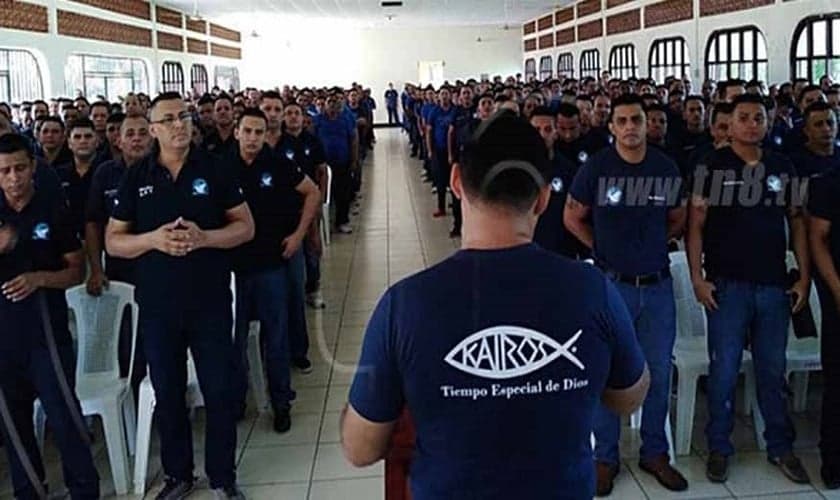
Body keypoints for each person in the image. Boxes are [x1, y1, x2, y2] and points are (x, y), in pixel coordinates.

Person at [341, 112, 650, 499]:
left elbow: (361, 447)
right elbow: (628, 397)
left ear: (455, 182)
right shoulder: (593, 289)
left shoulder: (405, 305)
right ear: (542, 198)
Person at [105, 92, 255, 500]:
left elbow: (245, 227)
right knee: (168, 391)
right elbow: (113, 242)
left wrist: (205, 237)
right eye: (168, 119)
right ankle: (178, 475)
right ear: (153, 130)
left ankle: (222, 475)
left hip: (208, 300)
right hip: (157, 304)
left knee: (218, 388)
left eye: (184, 117)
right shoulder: (138, 176)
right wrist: (153, 240)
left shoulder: (215, 168)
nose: (179, 125)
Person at [564, 93, 688, 495]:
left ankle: (655, 452)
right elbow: (572, 216)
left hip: (656, 287)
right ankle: (605, 458)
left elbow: (678, 217)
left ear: (647, 123)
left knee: (657, 371)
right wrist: (600, 253)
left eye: (637, 119)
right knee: (605, 370)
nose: (631, 127)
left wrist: (653, 246)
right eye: (623, 120)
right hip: (611, 285)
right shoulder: (597, 168)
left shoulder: (664, 167)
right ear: (612, 126)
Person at [686, 93, 811, 485]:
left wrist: (804, 275)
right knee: (723, 372)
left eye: (759, 117)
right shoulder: (713, 164)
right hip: (726, 284)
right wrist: (696, 277)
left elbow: (799, 224)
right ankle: (719, 447)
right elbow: (695, 227)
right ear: (731, 123)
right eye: (744, 117)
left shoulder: (782, 166)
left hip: (773, 284)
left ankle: (780, 446)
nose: (753, 124)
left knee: (773, 371)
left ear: (768, 121)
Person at [0, 133, 100, 499]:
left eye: (20, 168)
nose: (14, 178)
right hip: (4, 338)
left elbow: (76, 269)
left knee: (64, 417)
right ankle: (30, 489)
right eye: (5, 171)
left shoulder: (51, 207)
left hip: (46, 334)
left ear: (33, 167)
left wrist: (40, 278)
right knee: (13, 422)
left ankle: (85, 489)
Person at [229, 108, 321, 430]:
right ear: (237, 132)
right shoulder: (220, 165)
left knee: (276, 337)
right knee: (234, 338)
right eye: (248, 131)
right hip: (234, 270)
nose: (253, 138)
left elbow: (312, 192)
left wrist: (299, 235)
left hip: (271, 264)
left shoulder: (278, 163)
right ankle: (237, 400)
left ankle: (282, 401)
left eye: (259, 131)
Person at [85, 113, 153, 396]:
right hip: (120, 271)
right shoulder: (105, 174)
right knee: (126, 339)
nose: (136, 139)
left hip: (155, 270)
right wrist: (96, 269)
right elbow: (93, 223)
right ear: (118, 139)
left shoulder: (162, 170)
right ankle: (134, 400)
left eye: (142, 133)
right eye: (130, 134)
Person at [276, 101, 329, 311]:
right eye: (288, 113)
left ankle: (313, 288)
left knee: (312, 248)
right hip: (287, 205)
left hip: (309, 202)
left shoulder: (311, 141)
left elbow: (321, 171)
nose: (292, 117)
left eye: (296, 113)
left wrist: (321, 200)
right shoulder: (278, 143)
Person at [528, 106, 579, 258]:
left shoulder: (569, 170)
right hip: (526, 249)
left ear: (556, 132)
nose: (542, 135)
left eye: (548, 129)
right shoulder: (516, 171)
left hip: (561, 251)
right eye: (536, 129)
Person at [313, 92, 358, 235]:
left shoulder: (346, 119)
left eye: (335, 102)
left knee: (342, 193)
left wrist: (354, 159)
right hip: (322, 164)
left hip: (342, 162)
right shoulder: (318, 120)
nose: (332, 105)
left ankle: (342, 221)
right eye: (329, 102)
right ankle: (320, 223)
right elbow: (312, 139)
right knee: (323, 194)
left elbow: (353, 139)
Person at [56, 118, 100, 239]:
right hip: (69, 241)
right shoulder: (58, 174)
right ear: (69, 143)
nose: (83, 141)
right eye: (77, 137)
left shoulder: (109, 172)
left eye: (88, 136)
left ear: (97, 141)